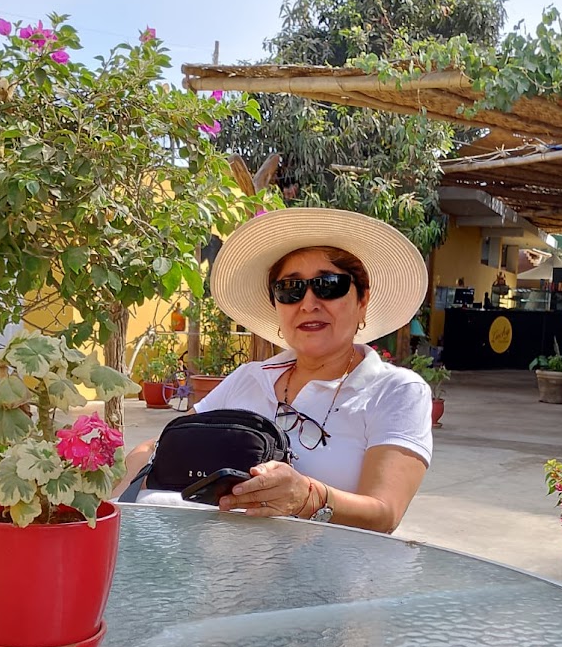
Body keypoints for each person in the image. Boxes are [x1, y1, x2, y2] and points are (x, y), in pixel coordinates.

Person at [118, 207, 433, 533]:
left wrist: (307, 497)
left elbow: (384, 513)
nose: (308, 303)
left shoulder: (396, 391)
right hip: (221, 560)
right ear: (276, 305)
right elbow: (166, 445)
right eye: (290, 289)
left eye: (328, 285)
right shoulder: (249, 378)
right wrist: (125, 477)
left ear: (362, 300)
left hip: (333, 566)